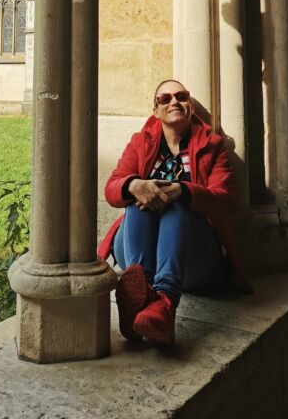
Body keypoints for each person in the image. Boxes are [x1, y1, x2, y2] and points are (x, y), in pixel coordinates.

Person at [97, 79, 249, 346]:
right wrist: (134, 184)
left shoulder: (213, 147)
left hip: (194, 256)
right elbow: (111, 189)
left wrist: (185, 191)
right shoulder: (140, 143)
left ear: (190, 105)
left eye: (181, 96)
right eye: (164, 99)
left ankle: (164, 300)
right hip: (136, 251)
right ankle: (142, 294)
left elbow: (224, 200)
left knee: (177, 199)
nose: (174, 102)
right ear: (155, 111)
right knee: (138, 195)